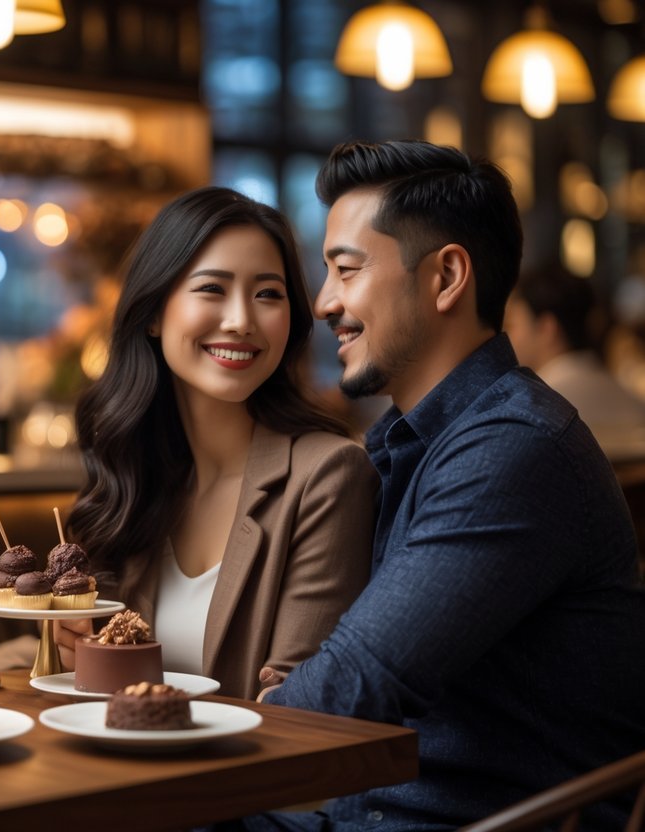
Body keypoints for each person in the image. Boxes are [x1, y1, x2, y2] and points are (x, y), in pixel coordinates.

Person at [240, 140, 645, 831]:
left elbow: (351, 684)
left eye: (346, 270)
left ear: (447, 276)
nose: (323, 302)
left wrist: (190, 725)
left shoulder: (513, 448)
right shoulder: (408, 443)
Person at [0, 185, 378, 700]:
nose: (242, 320)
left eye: (268, 293)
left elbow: (296, 704)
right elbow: (76, 648)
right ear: (154, 312)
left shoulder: (327, 477)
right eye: (212, 289)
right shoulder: (135, 473)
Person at [504, 265, 645, 458]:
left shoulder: (529, 409)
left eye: (512, 325)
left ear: (547, 328)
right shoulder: (633, 401)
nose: (506, 336)